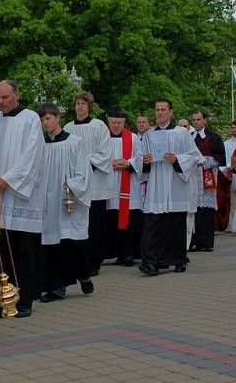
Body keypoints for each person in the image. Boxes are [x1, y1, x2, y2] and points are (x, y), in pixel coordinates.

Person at [0, 80, 44, 319]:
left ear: (17, 95)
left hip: (17, 196)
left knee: (21, 252)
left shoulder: (30, 119)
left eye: (5, 97)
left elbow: (32, 156)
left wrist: (7, 180)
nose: (1, 102)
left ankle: (24, 300)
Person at [139, 99, 202, 276]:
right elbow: (139, 158)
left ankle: (178, 260)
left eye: (163, 109)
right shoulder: (149, 135)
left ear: (171, 111)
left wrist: (177, 160)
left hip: (175, 183)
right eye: (157, 109)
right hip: (156, 184)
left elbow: (194, 156)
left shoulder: (181, 133)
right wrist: (145, 162)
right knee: (153, 225)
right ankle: (151, 262)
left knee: (175, 224)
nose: (160, 113)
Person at [37, 103, 93, 301]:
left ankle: (84, 275)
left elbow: (83, 170)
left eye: (48, 118)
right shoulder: (41, 145)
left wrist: (72, 183)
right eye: (42, 119)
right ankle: (56, 287)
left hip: (68, 197)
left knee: (71, 242)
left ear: (58, 118)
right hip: (47, 201)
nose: (45, 123)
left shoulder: (74, 142)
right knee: (51, 244)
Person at [63, 91, 112, 276]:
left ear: (89, 106)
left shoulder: (99, 126)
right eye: (77, 103)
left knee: (95, 223)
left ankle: (94, 260)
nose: (80, 106)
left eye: (83, 103)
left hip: (95, 184)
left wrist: (84, 165)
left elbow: (104, 153)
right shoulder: (67, 127)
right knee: (76, 222)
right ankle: (78, 260)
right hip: (75, 184)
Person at [104, 106, 143, 266]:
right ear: (108, 121)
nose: (116, 126)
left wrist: (128, 163)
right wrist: (109, 164)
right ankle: (115, 253)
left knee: (130, 223)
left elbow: (140, 158)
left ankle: (128, 254)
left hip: (128, 186)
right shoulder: (102, 137)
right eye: (113, 122)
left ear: (124, 122)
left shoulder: (133, 138)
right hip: (108, 185)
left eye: (120, 123)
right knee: (111, 221)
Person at [190, 111, 225, 252]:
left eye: (198, 119)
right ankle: (194, 241)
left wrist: (204, 161)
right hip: (192, 176)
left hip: (208, 174)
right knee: (194, 209)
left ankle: (206, 242)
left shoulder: (214, 137)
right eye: (194, 120)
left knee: (206, 210)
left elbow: (221, 157)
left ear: (205, 121)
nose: (196, 122)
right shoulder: (189, 137)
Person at [218, 120, 236, 232]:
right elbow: (225, 160)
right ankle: (232, 225)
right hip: (231, 173)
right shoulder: (226, 144)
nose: (234, 130)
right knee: (232, 200)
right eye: (232, 128)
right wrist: (228, 168)